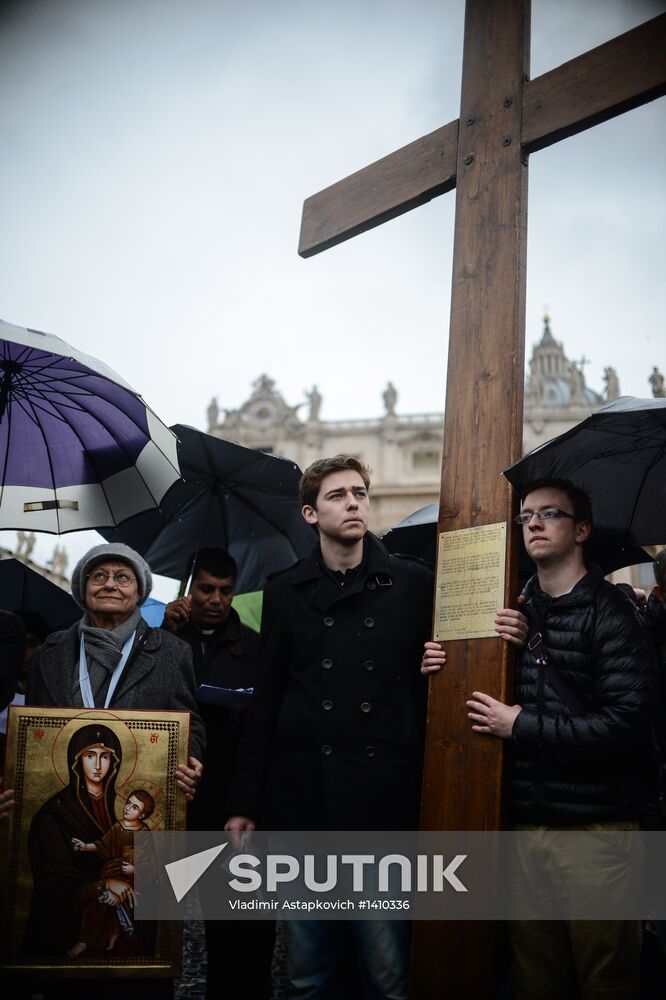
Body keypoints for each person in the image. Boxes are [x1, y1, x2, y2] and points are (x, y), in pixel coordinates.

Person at [225, 455, 525, 999]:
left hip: (381, 798)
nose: (354, 502)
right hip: (302, 802)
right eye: (338, 495)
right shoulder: (285, 591)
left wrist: (484, 641)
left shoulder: (413, 582)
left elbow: (456, 664)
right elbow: (266, 702)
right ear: (311, 514)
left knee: (386, 970)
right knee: (307, 972)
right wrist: (245, 801)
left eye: (360, 492)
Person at [444, 478, 656, 1000]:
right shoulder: (512, 613)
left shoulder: (612, 612)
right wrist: (436, 663)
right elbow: (468, 699)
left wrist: (521, 725)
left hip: (596, 831)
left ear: (581, 529)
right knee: (535, 981)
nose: (532, 524)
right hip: (523, 828)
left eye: (549, 513)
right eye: (525, 517)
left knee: (606, 980)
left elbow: (625, 726)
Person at [22, 542, 205, 999]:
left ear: (140, 591)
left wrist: (191, 758)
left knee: (139, 955)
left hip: (141, 822)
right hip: (71, 822)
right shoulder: (51, 653)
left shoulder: (171, 653)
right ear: (82, 589)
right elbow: (36, 735)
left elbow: (190, 720)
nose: (109, 584)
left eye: (122, 577)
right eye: (97, 575)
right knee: (68, 953)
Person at [163, 547, 275, 999]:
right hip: (175, 795)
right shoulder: (166, 641)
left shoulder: (252, 646)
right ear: (190, 590)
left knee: (239, 913)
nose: (215, 599)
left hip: (231, 797)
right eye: (206, 589)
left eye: (225, 591)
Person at [70, 788, 156, 957]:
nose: (128, 808)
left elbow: (150, 863)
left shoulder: (144, 834)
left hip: (131, 877)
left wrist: (135, 870)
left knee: (121, 900)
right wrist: (85, 846)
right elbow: (103, 845)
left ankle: (115, 933)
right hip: (110, 873)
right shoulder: (118, 827)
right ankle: (85, 940)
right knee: (97, 902)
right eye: (128, 803)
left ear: (142, 815)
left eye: (134, 807)